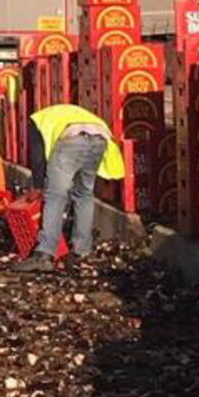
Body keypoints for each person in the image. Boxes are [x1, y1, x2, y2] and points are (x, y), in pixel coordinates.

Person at [12, 104, 125, 273]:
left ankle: (45, 254)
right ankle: (82, 251)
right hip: (100, 138)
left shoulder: (36, 121)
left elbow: (37, 156)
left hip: (71, 140)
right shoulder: (65, 113)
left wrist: (37, 186)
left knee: (56, 196)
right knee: (84, 194)